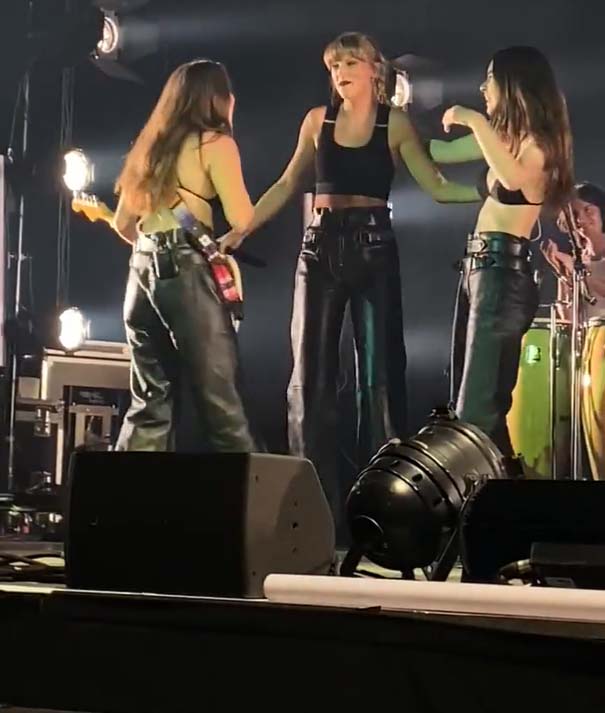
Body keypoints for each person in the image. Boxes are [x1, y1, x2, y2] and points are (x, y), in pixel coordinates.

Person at [220, 32, 478, 526]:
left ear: (373, 71)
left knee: (378, 380)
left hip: (374, 247)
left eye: (350, 63)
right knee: (309, 379)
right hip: (318, 250)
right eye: (334, 65)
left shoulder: (393, 122)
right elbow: (285, 183)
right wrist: (241, 229)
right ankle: (309, 507)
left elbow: (438, 187)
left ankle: (384, 508)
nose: (340, 73)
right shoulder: (318, 121)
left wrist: (496, 194)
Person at [430, 46, 574, 473]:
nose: (482, 89)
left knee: (479, 409)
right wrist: (395, 123)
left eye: (488, 78)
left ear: (512, 84)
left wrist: (473, 119)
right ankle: (501, 510)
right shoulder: (505, 141)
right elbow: (438, 153)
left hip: (503, 274)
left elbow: (514, 180)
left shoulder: (539, 146)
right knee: (470, 407)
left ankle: (501, 510)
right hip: (478, 269)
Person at [111, 59, 256, 452]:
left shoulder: (150, 148)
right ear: (219, 99)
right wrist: (223, 243)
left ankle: (120, 506)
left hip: (140, 273)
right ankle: (246, 508)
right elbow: (243, 217)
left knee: (149, 404)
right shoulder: (216, 145)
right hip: (185, 267)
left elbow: (123, 224)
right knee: (222, 404)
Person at [542, 182, 605, 479]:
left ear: (592, 214)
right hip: (586, 362)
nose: (570, 227)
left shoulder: (585, 265)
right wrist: (564, 278)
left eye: (575, 216)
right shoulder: (578, 262)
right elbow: (568, 315)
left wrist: (575, 270)